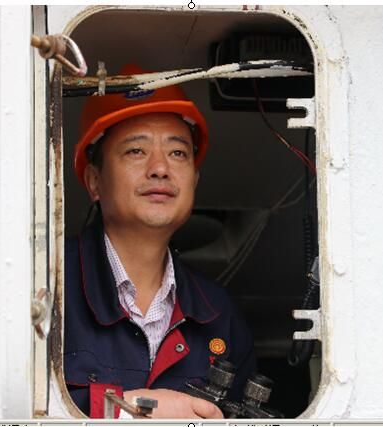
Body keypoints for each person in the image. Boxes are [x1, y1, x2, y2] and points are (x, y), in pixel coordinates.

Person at [64, 64, 256, 419]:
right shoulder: (46, 287)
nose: (160, 168)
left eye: (177, 153)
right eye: (136, 151)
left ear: (194, 181)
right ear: (94, 181)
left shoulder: (219, 313)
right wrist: (129, 412)